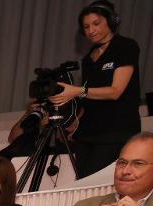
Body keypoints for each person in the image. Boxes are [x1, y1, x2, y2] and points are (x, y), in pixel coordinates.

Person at [48, 2, 142, 177]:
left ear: (111, 22)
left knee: (98, 185)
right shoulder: (88, 57)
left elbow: (115, 91)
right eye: (86, 27)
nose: (91, 30)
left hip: (116, 132)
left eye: (96, 24)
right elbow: (89, 95)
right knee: (82, 182)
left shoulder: (125, 46)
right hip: (88, 134)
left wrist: (77, 91)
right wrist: (77, 119)